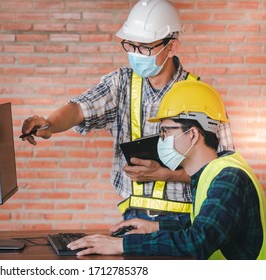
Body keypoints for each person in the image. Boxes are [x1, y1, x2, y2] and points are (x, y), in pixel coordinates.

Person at [21, 0, 234, 224]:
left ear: (171, 47)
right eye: (130, 46)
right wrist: (50, 124)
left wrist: (168, 174)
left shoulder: (201, 95)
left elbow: (223, 169)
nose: (136, 54)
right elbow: (80, 108)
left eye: (144, 47)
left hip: (186, 220)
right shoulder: (121, 84)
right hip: (133, 215)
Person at [67, 80, 266, 260]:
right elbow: (207, 223)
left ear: (193, 134)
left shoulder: (229, 178)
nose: (161, 139)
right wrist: (155, 226)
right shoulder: (214, 172)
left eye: (166, 131)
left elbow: (197, 243)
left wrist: (120, 244)